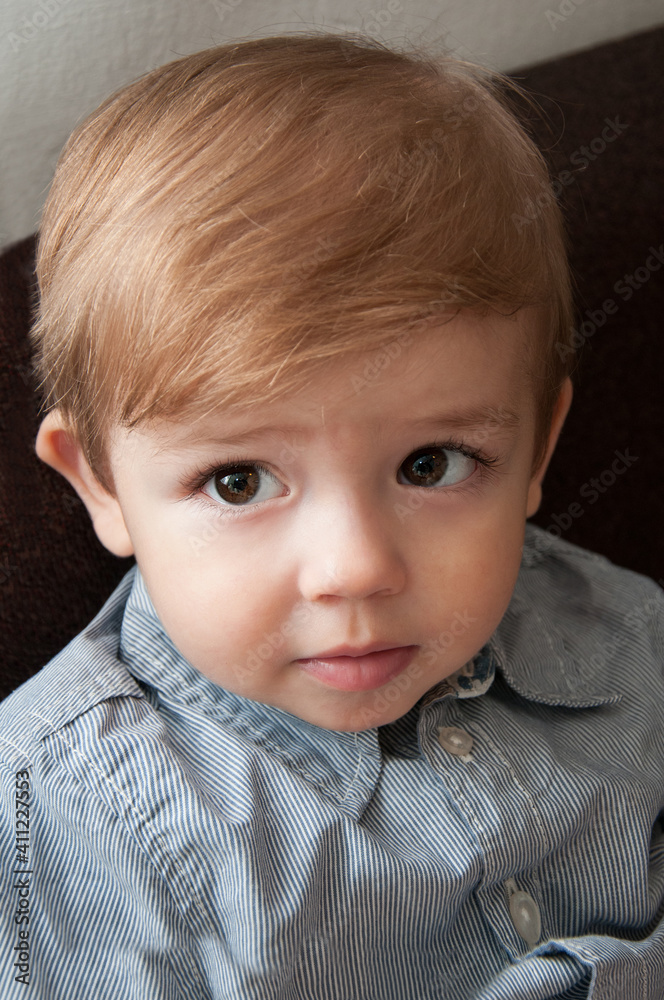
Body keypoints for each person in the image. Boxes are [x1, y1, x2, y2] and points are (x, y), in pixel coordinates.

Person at [1, 31, 662, 1000]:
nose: (355, 568)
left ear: (536, 450)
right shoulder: (66, 812)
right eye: (238, 482)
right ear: (99, 483)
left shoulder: (626, 636)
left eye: (431, 465)